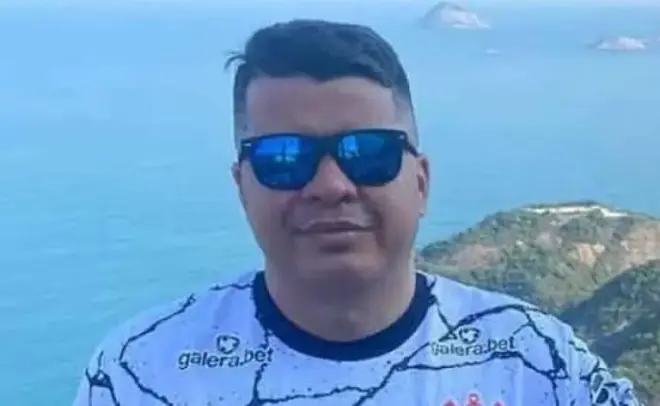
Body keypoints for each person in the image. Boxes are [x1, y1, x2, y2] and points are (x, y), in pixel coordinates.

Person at [72, 19, 645, 406]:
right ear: (242, 186)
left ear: (420, 181)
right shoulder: (140, 376)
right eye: (283, 157)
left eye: (367, 153)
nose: (330, 185)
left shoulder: (542, 366)